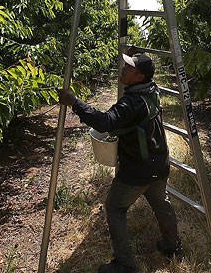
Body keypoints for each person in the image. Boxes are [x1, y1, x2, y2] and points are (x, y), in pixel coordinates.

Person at [59, 53, 183, 273]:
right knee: (161, 204)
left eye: (129, 68)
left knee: (115, 207)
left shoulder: (132, 103)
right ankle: (173, 246)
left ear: (139, 76)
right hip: (158, 161)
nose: (123, 69)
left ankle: (124, 264)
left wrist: (75, 102)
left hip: (138, 169)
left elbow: (105, 122)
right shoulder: (151, 90)